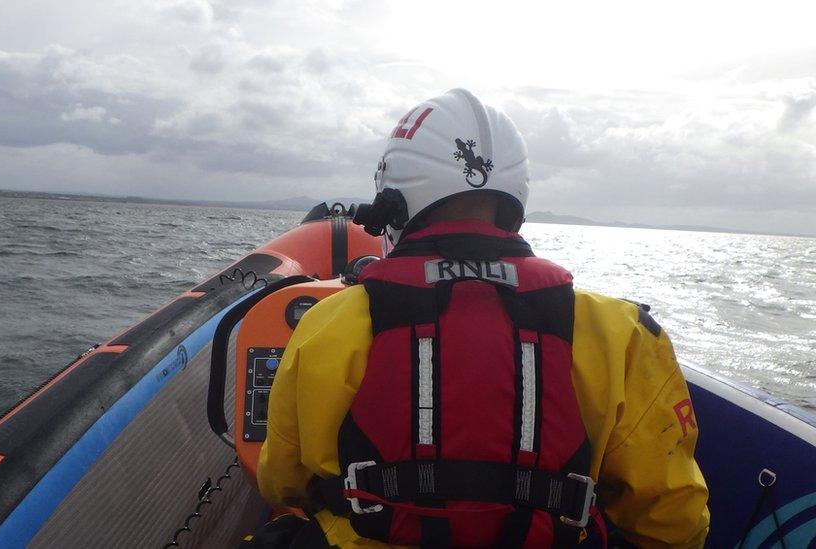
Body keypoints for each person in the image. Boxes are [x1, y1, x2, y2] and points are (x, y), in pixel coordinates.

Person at [256, 89, 709, 548]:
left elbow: (281, 482)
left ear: (395, 199)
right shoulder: (622, 333)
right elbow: (673, 520)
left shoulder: (331, 324)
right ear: (515, 199)